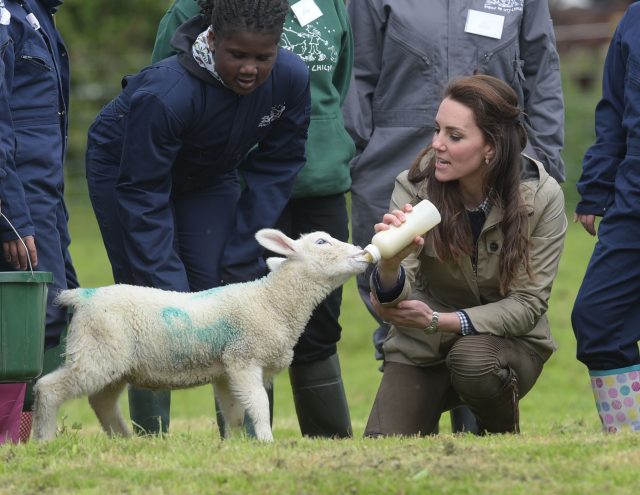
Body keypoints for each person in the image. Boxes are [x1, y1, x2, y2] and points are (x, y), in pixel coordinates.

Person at [85, 0, 310, 436]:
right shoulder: (165, 94)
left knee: (228, 290)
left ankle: (243, 436)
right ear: (212, 38)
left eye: (262, 57)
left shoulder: (291, 77)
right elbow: (143, 192)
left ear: (277, 48)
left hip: (208, 173)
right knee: (156, 303)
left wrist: (244, 251)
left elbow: (280, 164)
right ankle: (151, 437)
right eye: (237, 55)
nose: (250, 69)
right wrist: (171, 295)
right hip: (128, 171)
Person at [343, 0, 565, 433]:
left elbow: (543, 71)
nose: (438, 144)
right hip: (391, 155)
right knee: (385, 441)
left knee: (475, 359)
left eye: (453, 135)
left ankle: (488, 424)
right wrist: (389, 262)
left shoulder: (538, 194)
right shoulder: (410, 182)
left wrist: (542, 160)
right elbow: (357, 74)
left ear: (491, 145)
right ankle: (413, 385)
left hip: (495, 338)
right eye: (437, 132)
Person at [150, 0, 356, 438]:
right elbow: (167, 87)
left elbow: (340, 79)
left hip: (320, 181)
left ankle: (331, 444)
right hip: (240, 188)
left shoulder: (329, 4)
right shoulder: (195, 6)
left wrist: (328, 135)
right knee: (243, 320)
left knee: (320, 323)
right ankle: (245, 439)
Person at [0, 0, 78, 443]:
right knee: (21, 316)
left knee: (49, 310)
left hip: (45, 194)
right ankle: (11, 438)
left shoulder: (36, 11)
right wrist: (11, 210)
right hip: (18, 196)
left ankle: (25, 436)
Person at [571, 3, 640, 433]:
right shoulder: (634, 19)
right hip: (633, 198)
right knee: (598, 317)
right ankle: (629, 442)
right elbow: (613, 110)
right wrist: (596, 189)